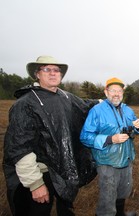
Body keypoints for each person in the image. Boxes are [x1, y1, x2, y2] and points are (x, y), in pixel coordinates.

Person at [3, 56, 98, 216]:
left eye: (56, 70)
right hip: (41, 172)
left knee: (65, 207)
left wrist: (107, 100)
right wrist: (35, 184)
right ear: (37, 74)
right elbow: (20, 148)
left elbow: (85, 106)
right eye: (47, 69)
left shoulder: (66, 97)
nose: (53, 73)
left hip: (64, 168)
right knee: (38, 211)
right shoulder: (25, 104)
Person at [80, 77, 139, 216]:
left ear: (122, 92)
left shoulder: (127, 109)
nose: (116, 94)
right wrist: (110, 139)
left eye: (119, 91)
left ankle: (120, 214)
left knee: (122, 192)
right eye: (113, 90)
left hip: (126, 159)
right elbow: (85, 137)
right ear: (106, 92)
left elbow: (132, 129)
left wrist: (138, 127)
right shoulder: (97, 111)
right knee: (107, 200)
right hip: (107, 162)